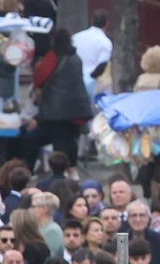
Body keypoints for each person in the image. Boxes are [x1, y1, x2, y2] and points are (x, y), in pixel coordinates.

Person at [30, 28, 93, 165]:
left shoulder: (53, 56)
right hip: (76, 109)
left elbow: (39, 77)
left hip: (56, 109)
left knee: (57, 142)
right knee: (70, 140)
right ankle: (71, 168)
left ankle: (59, 169)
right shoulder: (76, 58)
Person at [72, 10, 113, 82]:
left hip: (73, 77)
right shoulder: (105, 42)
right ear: (107, 23)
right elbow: (102, 65)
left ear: (92, 21)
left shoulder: (75, 37)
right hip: (91, 80)